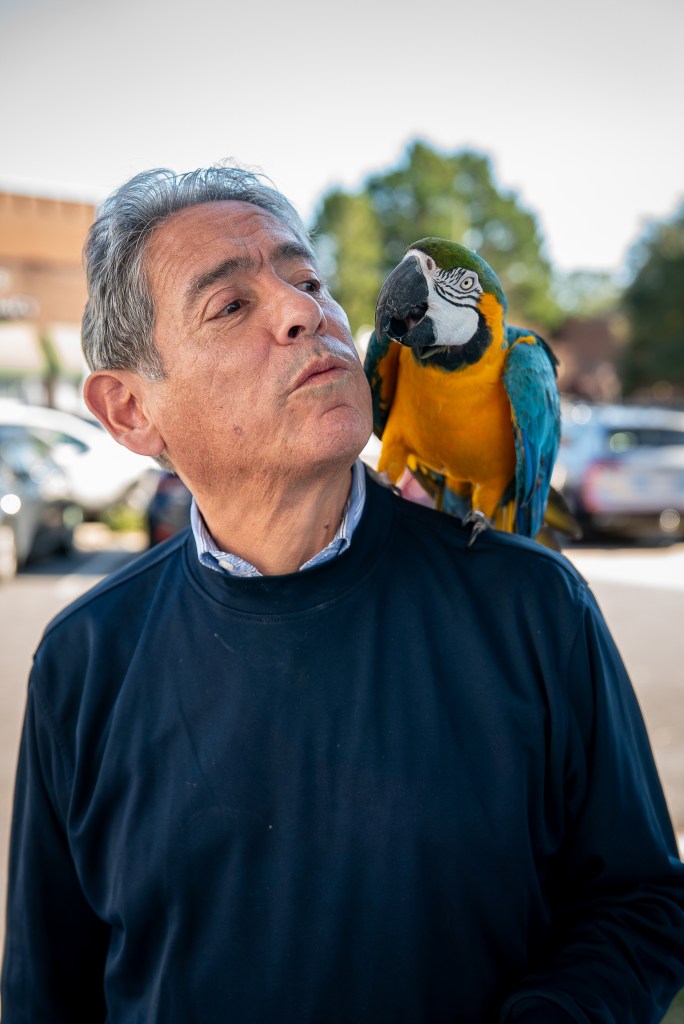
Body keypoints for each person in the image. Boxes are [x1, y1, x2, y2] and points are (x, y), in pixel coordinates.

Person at [2, 164, 684, 1024]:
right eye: (230, 306)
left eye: (308, 279)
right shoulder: (82, 660)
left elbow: (643, 904)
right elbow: (44, 992)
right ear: (132, 412)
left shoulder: (534, 608)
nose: (306, 312)